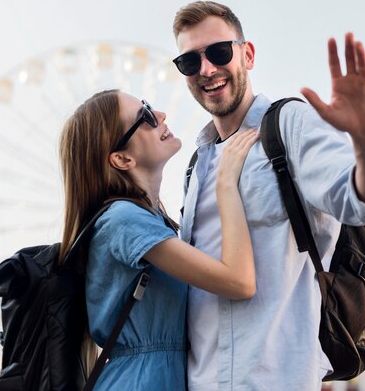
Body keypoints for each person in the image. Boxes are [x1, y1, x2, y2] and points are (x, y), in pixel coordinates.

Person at [172, 1, 365, 390]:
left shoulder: (290, 126)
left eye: (218, 52)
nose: (207, 70)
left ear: (247, 55)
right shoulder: (196, 165)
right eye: (189, 62)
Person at [58, 89, 259, 390]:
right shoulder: (123, 219)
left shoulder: (148, 219)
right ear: (122, 158)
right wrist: (226, 183)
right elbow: (239, 282)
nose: (161, 116)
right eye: (146, 117)